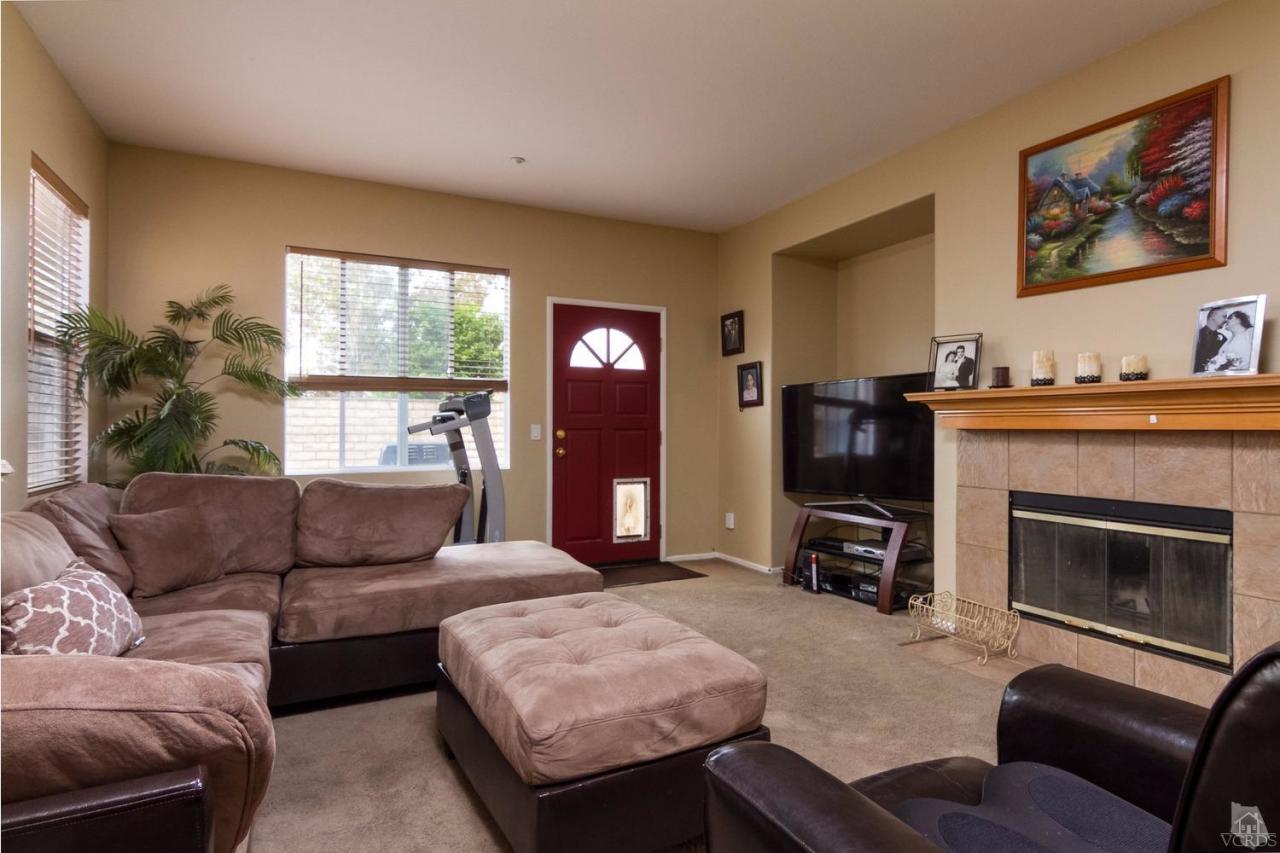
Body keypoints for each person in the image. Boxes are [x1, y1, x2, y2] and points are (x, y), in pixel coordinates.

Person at [1195, 306, 1229, 372]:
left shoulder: (1224, 339)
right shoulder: (1196, 335)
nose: (1226, 320)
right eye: (1224, 316)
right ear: (1213, 316)